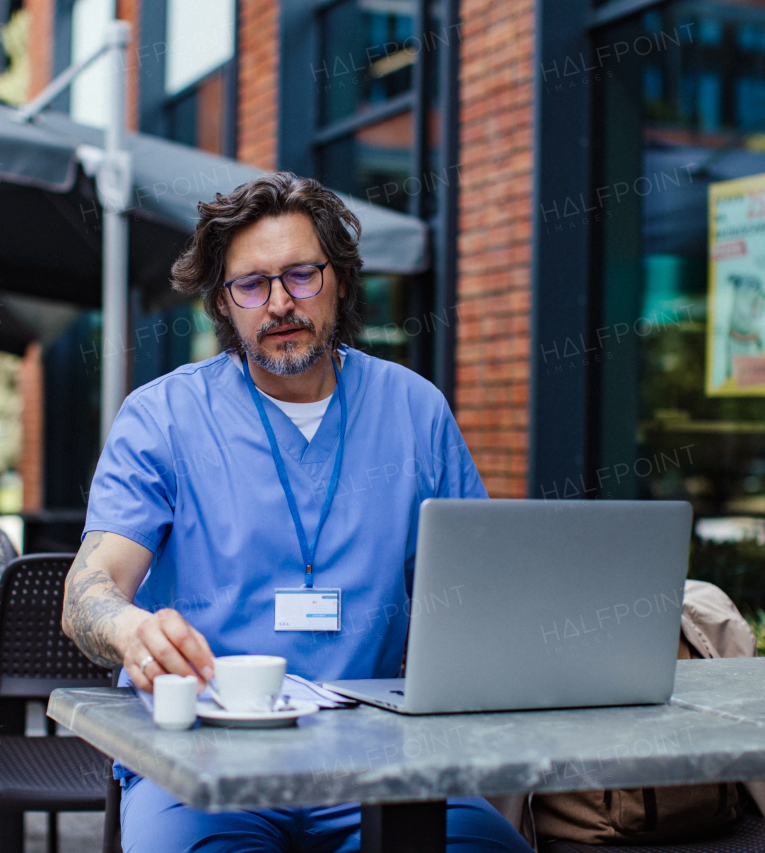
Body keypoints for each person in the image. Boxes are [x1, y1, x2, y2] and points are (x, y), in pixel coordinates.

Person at [62, 172, 531, 853]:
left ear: (339, 278)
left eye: (301, 275)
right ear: (223, 302)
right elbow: (86, 592)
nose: (279, 302)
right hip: (205, 765)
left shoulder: (415, 410)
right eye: (251, 284)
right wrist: (131, 630)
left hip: (385, 762)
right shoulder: (161, 418)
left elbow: (482, 594)